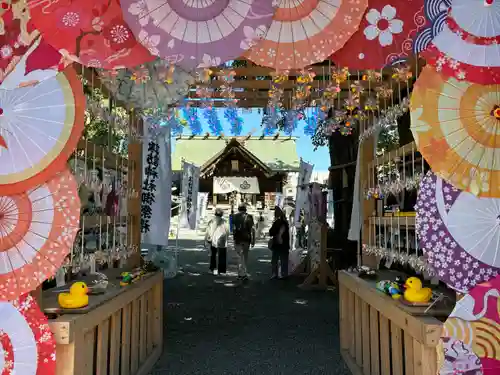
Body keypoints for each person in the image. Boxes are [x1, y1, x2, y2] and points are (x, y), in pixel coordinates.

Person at [232, 203, 255, 280]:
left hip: (237, 238)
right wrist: (253, 240)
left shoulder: (234, 217)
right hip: (246, 238)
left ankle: (240, 273)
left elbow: (232, 228)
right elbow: (252, 229)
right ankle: (244, 273)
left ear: (238, 209)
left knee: (239, 256)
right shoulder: (249, 217)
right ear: (245, 209)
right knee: (245, 256)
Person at [205, 208, 229, 275]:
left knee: (213, 255)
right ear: (222, 214)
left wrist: (206, 239)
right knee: (222, 255)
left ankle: (212, 269)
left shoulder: (211, 221)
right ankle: (221, 271)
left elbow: (208, 231)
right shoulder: (225, 221)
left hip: (213, 240)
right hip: (222, 240)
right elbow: (227, 231)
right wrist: (226, 237)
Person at [269, 206, 291, 279]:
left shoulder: (277, 222)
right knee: (284, 260)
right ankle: (284, 274)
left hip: (277, 245)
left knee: (275, 260)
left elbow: (271, 232)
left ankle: (274, 274)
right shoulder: (286, 223)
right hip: (284, 245)